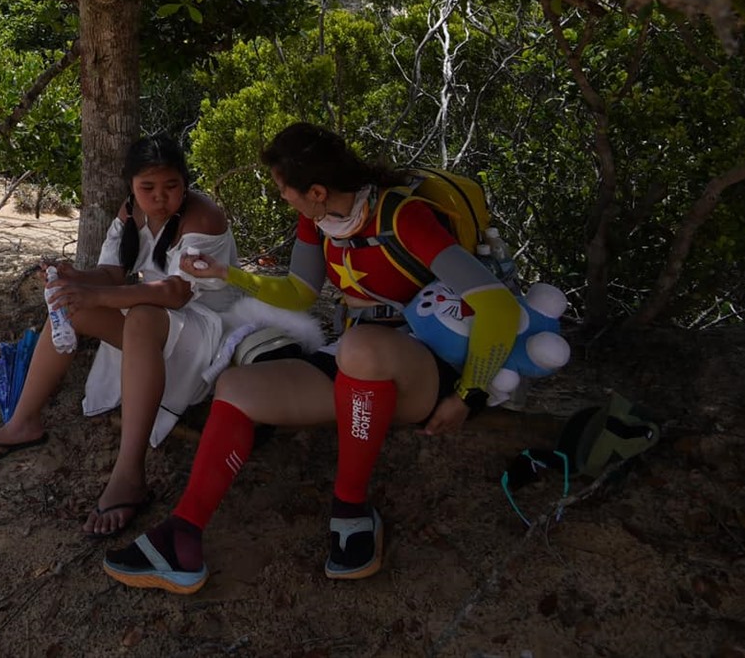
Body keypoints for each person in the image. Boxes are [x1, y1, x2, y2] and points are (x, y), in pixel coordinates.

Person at [102, 122, 521, 592]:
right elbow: (301, 292)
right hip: (356, 362)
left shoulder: (402, 218)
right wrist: (229, 275)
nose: (286, 200)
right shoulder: (318, 218)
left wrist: (471, 395)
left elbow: (497, 305)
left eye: (287, 191)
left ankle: (351, 509)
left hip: (428, 366)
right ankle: (182, 536)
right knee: (237, 387)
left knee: (361, 349)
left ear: (317, 190)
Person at [0, 133, 240, 537]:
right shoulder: (130, 212)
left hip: (206, 327)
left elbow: (177, 293)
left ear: (186, 182)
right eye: (147, 188)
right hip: (154, 316)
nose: (160, 197)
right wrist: (74, 278)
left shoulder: (203, 217)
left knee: (142, 314)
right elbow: (111, 273)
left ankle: (129, 472)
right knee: (73, 307)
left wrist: (100, 293)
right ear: (131, 186)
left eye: (171, 187)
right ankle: (24, 421)